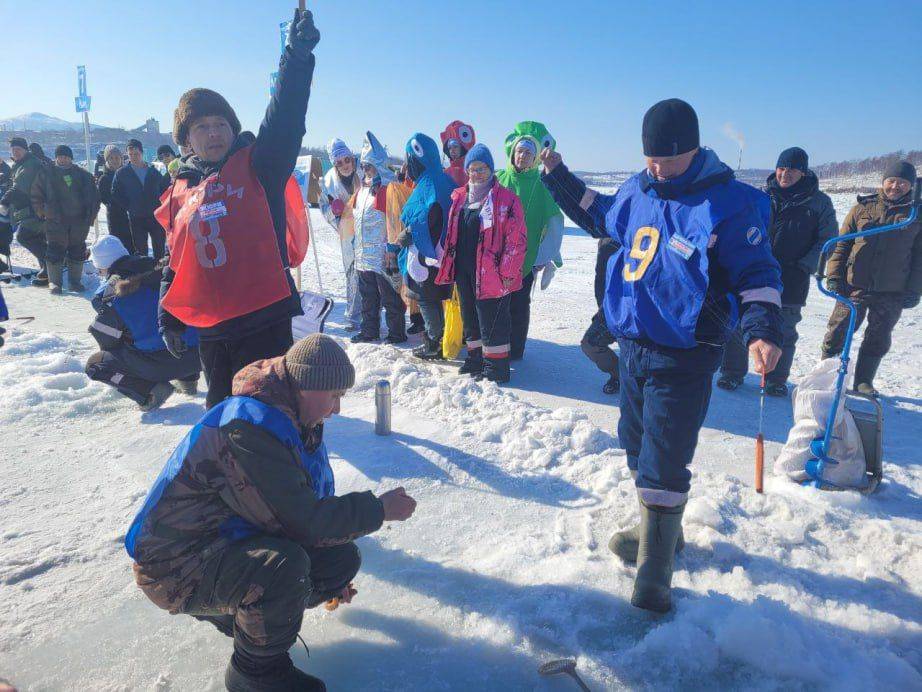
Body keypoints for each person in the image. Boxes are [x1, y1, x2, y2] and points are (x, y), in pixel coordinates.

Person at [540, 98, 783, 612]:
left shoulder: (731, 202)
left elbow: (758, 275)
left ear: (693, 150)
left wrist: (762, 331)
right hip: (633, 345)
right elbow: (601, 213)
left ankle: (656, 571)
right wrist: (557, 175)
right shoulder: (638, 189)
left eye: (668, 160)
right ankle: (661, 534)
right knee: (634, 441)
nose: (658, 168)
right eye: (651, 158)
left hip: (686, 352)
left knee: (665, 456)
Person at [125, 334, 417, 691]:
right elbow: (304, 522)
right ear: (308, 386)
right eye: (334, 397)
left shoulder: (293, 416)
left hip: (222, 541)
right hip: (175, 564)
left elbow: (307, 502)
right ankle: (254, 674)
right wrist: (379, 509)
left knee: (338, 561)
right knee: (285, 568)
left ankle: (250, 619)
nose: (337, 409)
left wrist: (333, 572)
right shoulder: (250, 429)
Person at [157, 9, 319, 410]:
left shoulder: (259, 163)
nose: (214, 132)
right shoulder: (181, 188)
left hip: (263, 317)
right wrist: (169, 315)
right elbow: (175, 258)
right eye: (201, 126)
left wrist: (295, 59)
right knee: (221, 411)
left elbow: (284, 120)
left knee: (269, 412)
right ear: (186, 140)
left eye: (220, 124)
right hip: (212, 326)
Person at [717, 147, 837, 396]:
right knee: (741, 323)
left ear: (803, 173)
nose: (785, 174)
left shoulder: (819, 202)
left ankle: (776, 379)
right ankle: (732, 372)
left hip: (791, 277)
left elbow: (828, 240)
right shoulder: (761, 197)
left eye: (791, 170)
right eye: (781, 168)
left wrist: (806, 264)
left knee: (784, 330)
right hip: (752, 274)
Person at [822, 160, 921, 397]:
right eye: (891, 181)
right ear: (883, 182)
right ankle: (826, 376)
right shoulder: (863, 208)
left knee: (878, 335)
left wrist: (915, 289)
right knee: (839, 330)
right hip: (854, 285)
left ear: (910, 186)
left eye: (902, 183)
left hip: (891, 290)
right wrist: (834, 275)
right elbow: (842, 244)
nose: (895, 186)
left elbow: (919, 258)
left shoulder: (916, 214)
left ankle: (864, 381)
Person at [436, 144, 527, 383]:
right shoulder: (460, 197)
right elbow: (452, 232)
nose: (476, 174)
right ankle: (476, 359)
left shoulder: (506, 200)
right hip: (464, 270)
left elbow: (516, 240)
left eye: (482, 168)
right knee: (470, 315)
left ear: (491, 169)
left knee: (492, 319)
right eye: (473, 169)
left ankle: (495, 368)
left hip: (492, 273)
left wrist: (505, 272)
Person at [85, 236, 200, 410]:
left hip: (159, 362)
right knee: (174, 326)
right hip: (201, 354)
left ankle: (151, 391)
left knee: (96, 365)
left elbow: (106, 341)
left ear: (103, 267)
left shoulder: (109, 294)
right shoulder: (166, 269)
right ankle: (189, 382)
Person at [495, 121, 565, 360]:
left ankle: (515, 348)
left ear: (535, 158)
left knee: (518, 304)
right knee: (495, 303)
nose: (522, 156)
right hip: (494, 257)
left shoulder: (543, 186)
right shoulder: (498, 179)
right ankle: (495, 345)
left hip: (525, 259)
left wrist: (544, 257)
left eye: (528, 152)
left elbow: (555, 222)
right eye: (519, 151)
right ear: (512, 152)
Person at [344, 132, 407, 344]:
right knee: (368, 297)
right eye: (362, 166)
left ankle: (396, 333)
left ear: (378, 165)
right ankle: (369, 330)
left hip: (382, 254)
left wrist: (392, 249)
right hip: (363, 255)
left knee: (390, 297)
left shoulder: (387, 189)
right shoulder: (362, 190)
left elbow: (395, 221)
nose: (365, 170)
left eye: (368, 165)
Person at [398, 133, 457, 359]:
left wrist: (406, 235)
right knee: (433, 299)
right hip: (444, 254)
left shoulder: (428, 183)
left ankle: (434, 343)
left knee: (426, 299)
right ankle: (440, 339)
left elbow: (424, 218)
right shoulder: (445, 179)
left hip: (427, 256)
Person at [31, 145, 99, 293]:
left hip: (79, 222)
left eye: (66, 156)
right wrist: (43, 212)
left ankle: (75, 282)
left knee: (77, 249)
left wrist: (90, 217)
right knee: (55, 249)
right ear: (56, 157)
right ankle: (55, 283)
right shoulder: (46, 173)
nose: (63, 159)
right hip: (55, 221)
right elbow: (36, 195)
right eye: (60, 156)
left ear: (71, 158)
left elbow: (94, 198)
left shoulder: (83, 175)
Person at [320, 138, 361, 330]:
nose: (345, 165)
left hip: (369, 230)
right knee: (352, 272)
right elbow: (323, 207)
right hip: (347, 231)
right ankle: (353, 317)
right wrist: (335, 213)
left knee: (372, 274)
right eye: (339, 162)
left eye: (347, 160)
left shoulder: (364, 172)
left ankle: (372, 316)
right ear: (334, 164)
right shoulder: (328, 182)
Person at [1, 137, 49, 285]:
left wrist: (4, 202)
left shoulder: (30, 164)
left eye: (18, 150)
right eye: (13, 150)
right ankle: (47, 273)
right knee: (38, 239)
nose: (15, 152)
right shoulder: (21, 164)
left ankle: (54, 260)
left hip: (37, 208)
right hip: (31, 208)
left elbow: (19, 187)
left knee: (24, 236)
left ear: (25, 150)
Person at [112, 138, 169, 259]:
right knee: (141, 251)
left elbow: (164, 190)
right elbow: (116, 193)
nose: (133, 157)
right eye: (130, 154)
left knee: (159, 249)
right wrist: (129, 206)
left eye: (136, 154)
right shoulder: (122, 173)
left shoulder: (153, 171)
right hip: (136, 217)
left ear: (142, 153)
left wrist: (162, 206)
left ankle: (159, 274)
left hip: (155, 216)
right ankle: (144, 275)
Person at [581, 238, 621, 394]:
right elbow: (601, 280)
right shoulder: (608, 241)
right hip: (610, 308)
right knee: (590, 343)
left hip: (642, 308)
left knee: (635, 349)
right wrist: (603, 308)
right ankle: (620, 375)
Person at [97, 145, 134, 252]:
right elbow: (104, 198)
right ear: (107, 160)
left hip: (132, 217)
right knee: (118, 248)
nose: (115, 161)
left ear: (122, 159)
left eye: (117, 158)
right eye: (111, 158)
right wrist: (118, 203)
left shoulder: (128, 174)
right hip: (115, 218)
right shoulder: (104, 178)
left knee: (132, 248)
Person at [440, 120, 476, 188]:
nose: (452, 151)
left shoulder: (472, 172)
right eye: (449, 148)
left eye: (455, 147)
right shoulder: (446, 173)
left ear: (462, 147)